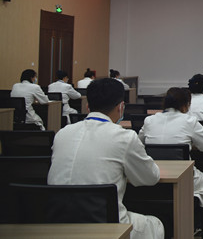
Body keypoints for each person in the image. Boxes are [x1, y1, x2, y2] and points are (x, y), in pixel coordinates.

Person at [48, 78, 164, 239]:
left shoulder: (62, 134)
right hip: (103, 224)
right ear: (121, 107)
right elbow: (150, 177)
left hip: (57, 222)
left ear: (88, 106)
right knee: (155, 224)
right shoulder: (124, 137)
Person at [139, 87, 203, 208]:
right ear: (186, 105)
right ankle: (193, 211)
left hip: (154, 173)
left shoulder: (149, 120)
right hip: (182, 175)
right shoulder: (189, 121)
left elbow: (139, 143)